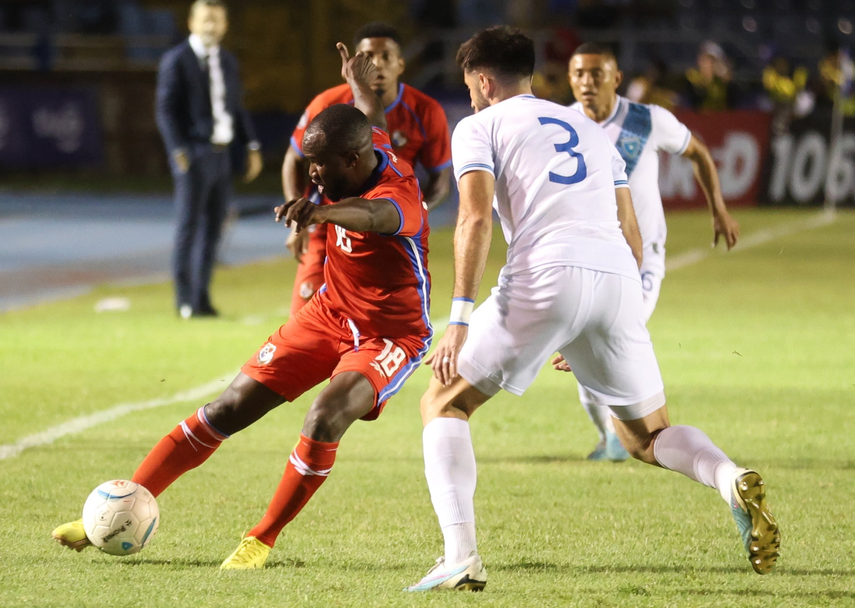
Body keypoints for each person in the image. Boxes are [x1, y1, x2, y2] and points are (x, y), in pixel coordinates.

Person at [406, 27, 779, 592]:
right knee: (647, 437)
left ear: (482, 81)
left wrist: (457, 318)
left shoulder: (478, 126)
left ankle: (461, 556)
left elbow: (475, 219)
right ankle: (729, 478)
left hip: (544, 277)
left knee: (442, 402)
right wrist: (586, 323)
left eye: (471, 84)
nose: (473, 94)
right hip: (617, 280)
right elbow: (630, 230)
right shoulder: (589, 128)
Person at [52, 43, 432, 570]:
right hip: (328, 313)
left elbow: (374, 219)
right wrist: (363, 88)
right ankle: (121, 506)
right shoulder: (366, 148)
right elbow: (370, 119)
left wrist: (324, 216)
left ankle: (262, 538)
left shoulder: (400, 193)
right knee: (227, 408)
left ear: (351, 160)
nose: (311, 174)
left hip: (390, 334)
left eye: (319, 165)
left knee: (325, 417)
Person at [567, 42, 741, 461]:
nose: (587, 82)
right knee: (585, 358)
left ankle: (638, 434)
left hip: (640, 258)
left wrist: (717, 207)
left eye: (596, 73)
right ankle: (611, 436)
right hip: (589, 255)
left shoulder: (647, 120)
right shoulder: (563, 124)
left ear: (616, 78)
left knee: (607, 338)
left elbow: (697, 151)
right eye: (578, 74)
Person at [283, 22, 450, 318]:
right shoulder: (328, 104)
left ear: (401, 63)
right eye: (367, 57)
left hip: (388, 233)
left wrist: (412, 213)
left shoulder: (426, 111)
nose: (376, 64)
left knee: (377, 321)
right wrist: (300, 220)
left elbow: (440, 181)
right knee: (303, 320)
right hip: (327, 222)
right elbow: (293, 160)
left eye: (386, 56)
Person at [156, 0, 263, 319]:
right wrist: (178, 151)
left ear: (225, 25)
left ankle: (202, 298)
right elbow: (165, 110)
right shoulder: (176, 61)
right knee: (189, 227)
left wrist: (252, 146)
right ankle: (184, 300)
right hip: (194, 152)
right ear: (191, 22)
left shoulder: (227, 61)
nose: (210, 26)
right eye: (205, 20)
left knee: (214, 229)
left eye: (216, 20)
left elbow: (237, 107)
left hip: (222, 154)